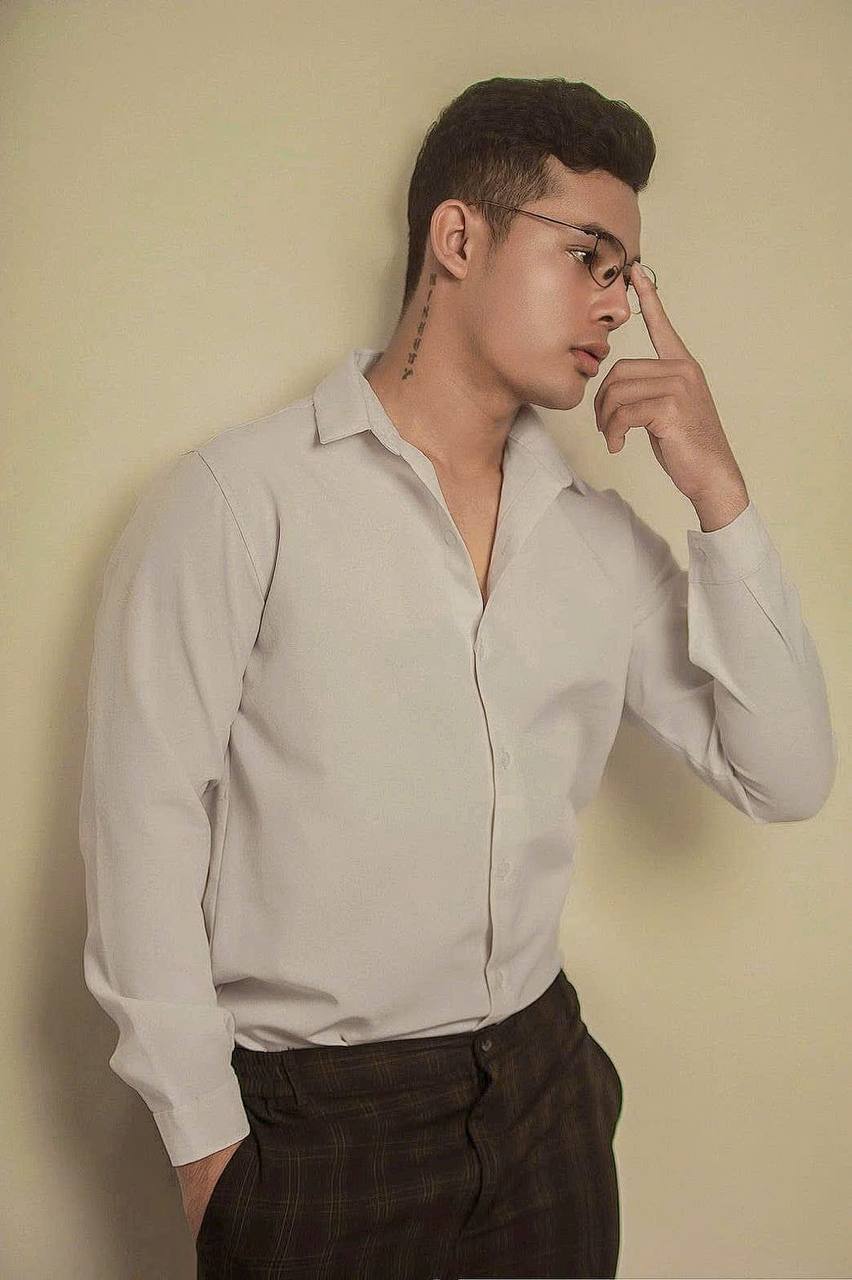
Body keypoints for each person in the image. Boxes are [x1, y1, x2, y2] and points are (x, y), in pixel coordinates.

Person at [78, 76, 836, 1279]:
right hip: (317, 1126)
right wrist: (206, 1148)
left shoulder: (597, 541)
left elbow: (786, 774)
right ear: (459, 236)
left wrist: (720, 492)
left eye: (628, 275)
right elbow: (142, 821)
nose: (617, 306)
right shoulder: (240, 500)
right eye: (588, 257)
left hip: (544, 1101)